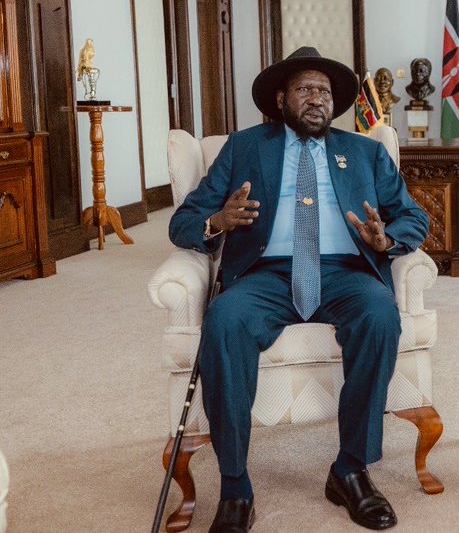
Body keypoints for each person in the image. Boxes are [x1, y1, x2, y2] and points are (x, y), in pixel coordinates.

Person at [169, 46, 429, 532]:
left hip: (345, 271)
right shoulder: (245, 147)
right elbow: (183, 221)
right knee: (224, 321)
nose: (318, 99)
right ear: (281, 98)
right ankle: (235, 485)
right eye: (306, 89)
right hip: (266, 274)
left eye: (326, 92)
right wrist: (217, 220)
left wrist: (387, 239)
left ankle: (350, 469)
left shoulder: (365, 151)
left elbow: (414, 216)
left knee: (380, 315)